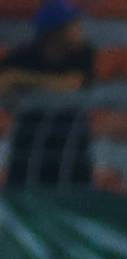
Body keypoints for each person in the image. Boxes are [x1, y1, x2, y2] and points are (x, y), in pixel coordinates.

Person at [0, 0, 94, 188]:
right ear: (55, 32)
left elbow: (72, 83)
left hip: (70, 142)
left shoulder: (83, 54)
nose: (80, 29)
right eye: (73, 24)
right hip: (31, 142)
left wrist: (22, 78)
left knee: (75, 194)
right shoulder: (22, 56)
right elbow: (4, 83)